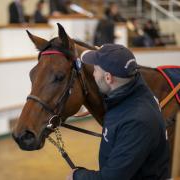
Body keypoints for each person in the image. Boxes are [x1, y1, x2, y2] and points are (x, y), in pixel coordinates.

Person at [67, 44, 170, 180]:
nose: (93, 73)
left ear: (108, 78)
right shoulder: (132, 87)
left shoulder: (137, 122)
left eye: (95, 69)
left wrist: (77, 176)